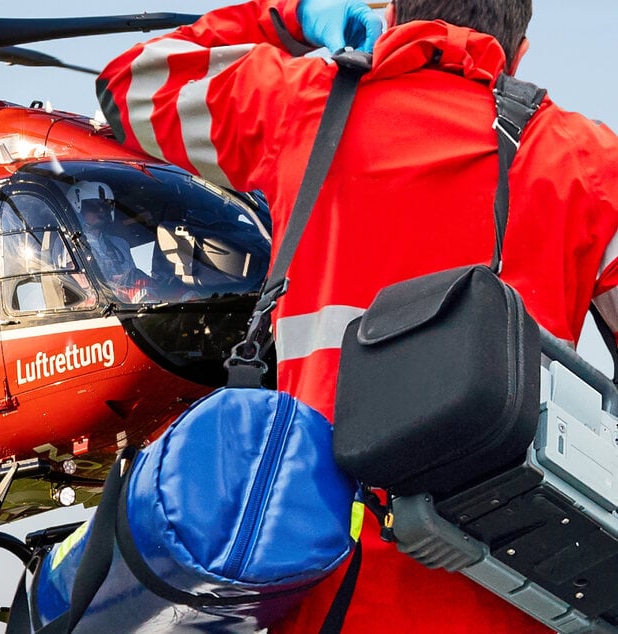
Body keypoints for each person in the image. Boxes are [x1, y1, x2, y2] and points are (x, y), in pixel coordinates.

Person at [96, 0, 618, 632]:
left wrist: (287, 17)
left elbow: (132, 82)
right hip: (513, 576)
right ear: (520, 51)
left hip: (326, 575)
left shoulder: (299, 104)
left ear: (389, 14)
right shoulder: (589, 159)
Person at [66, 181, 151, 302]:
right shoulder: (68, 243)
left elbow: (133, 282)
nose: (101, 210)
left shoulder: (120, 244)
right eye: (93, 206)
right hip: (100, 306)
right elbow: (82, 285)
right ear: (76, 207)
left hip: (129, 306)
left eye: (106, 206)